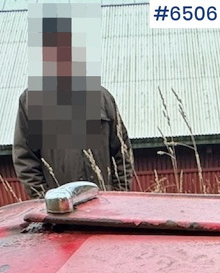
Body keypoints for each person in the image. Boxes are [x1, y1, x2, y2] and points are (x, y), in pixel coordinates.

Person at [13, 10, 133, 198]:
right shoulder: (31, 100)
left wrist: (119, 194)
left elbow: (122, 151)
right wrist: (45, 199)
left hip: (104, 205)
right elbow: (25, 159)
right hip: (59, 210)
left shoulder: (101, 97)